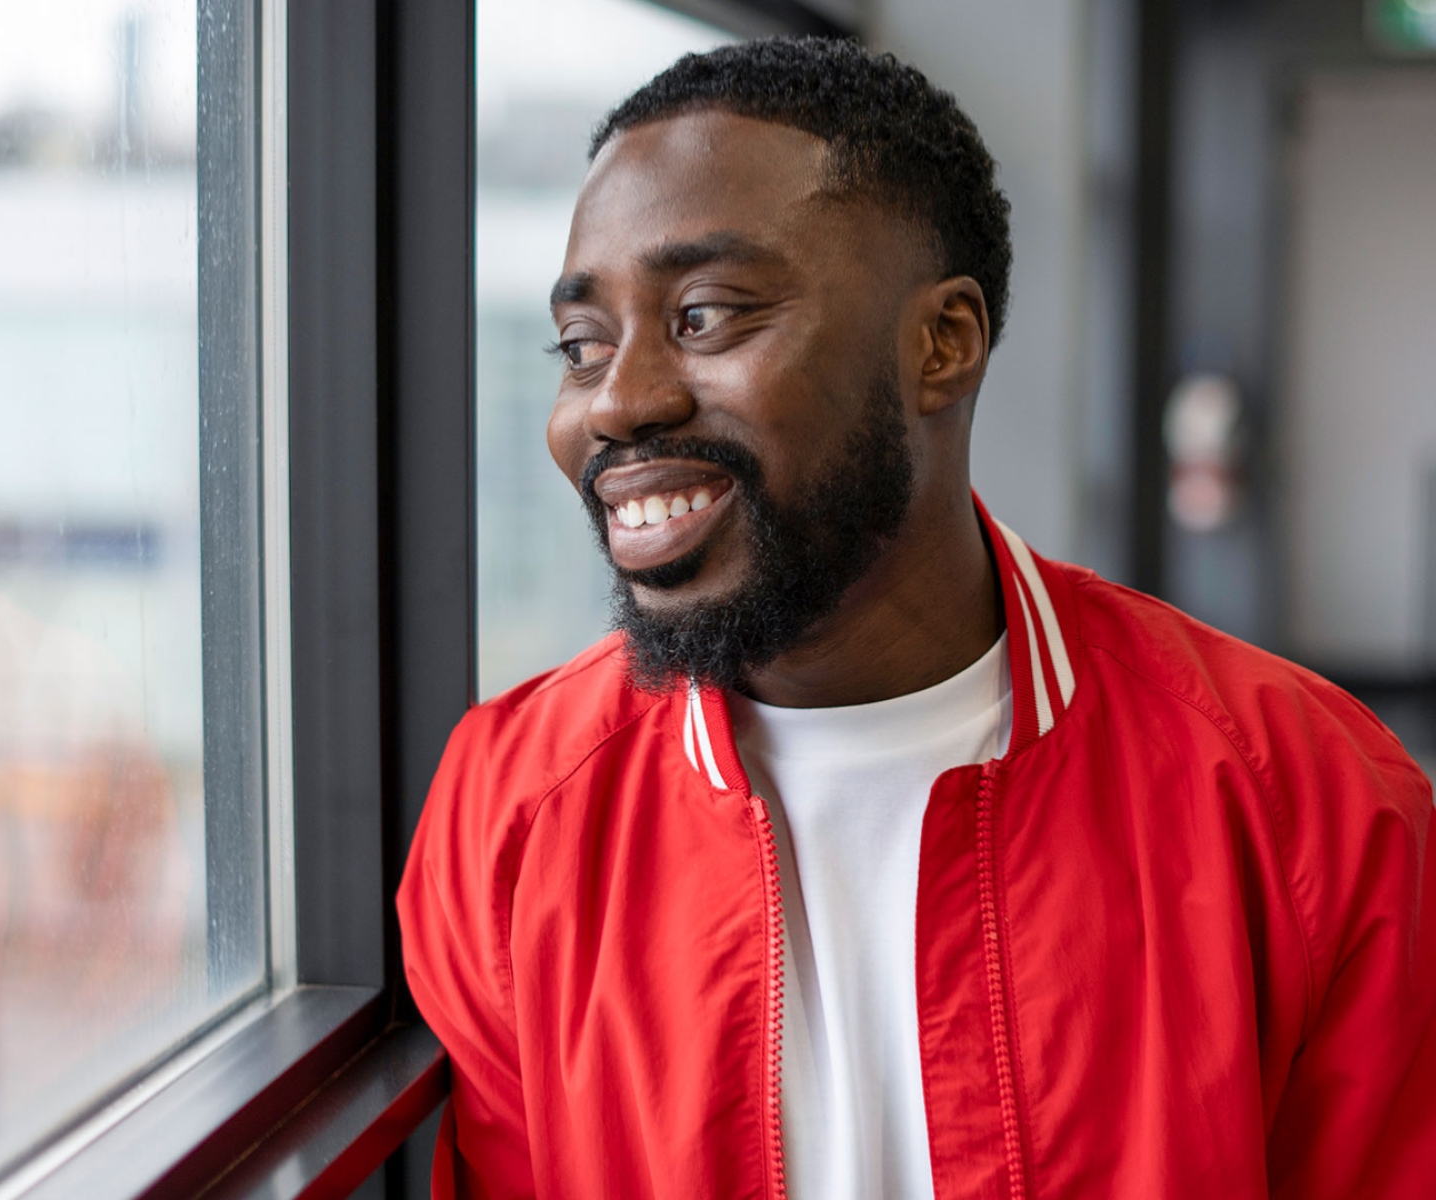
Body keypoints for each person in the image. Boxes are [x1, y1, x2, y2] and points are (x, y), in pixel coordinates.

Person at [398, 36, 1436, 1199]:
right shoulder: (510, 817)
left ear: (943, 344)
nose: (618, 403)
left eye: (705, 316)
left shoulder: (1309, 800)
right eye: (582, 347)